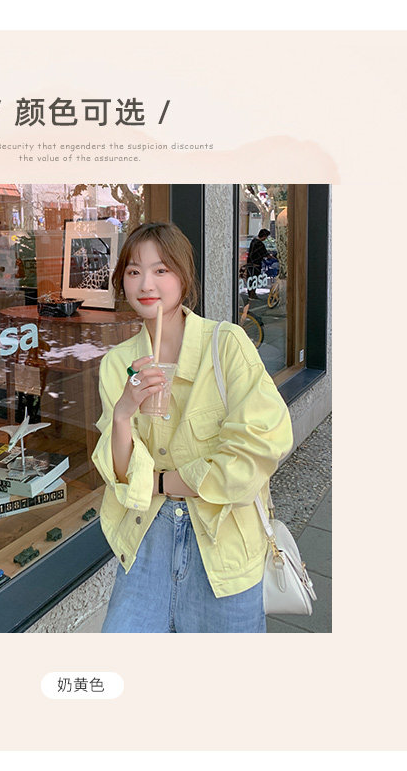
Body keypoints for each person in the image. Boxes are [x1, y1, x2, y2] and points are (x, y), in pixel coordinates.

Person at [91, 222, 292, 633]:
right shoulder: (118, 364)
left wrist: (162, 482)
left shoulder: (227, 345)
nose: (146, 283)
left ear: (184, 277)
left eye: (161, 270)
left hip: (224, 538)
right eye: (133, 271)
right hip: (146, 535)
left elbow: (258, 449)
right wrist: (124, 413)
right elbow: (123, 475)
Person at [245, 228, 270, 299]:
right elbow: (265, 254)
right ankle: (252, 294)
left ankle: (250, 293)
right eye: (266, 237)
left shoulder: (253, 241)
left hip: (250, 263)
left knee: (250, 278)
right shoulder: (260, 244)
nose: (266, 238)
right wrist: (271, 256)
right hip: (256, 264)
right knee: (254, 279)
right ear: (264, 236)